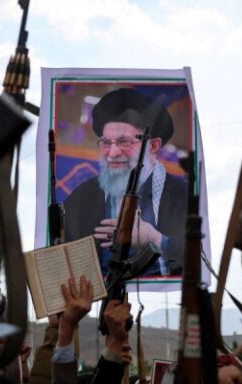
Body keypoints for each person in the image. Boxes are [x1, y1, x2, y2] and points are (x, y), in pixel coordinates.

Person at [63, 87, 187, 276]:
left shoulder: (183, 198)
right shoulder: (79, 200)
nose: (112, 153)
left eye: (124, 142)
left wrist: (155, 239)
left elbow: (200, 261)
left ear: (153, 145)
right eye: (106, 143)